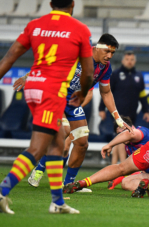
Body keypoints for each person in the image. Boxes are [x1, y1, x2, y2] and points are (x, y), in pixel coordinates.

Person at [0, 0, 94, 214]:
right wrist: (83, 91)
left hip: (33, 86)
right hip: (52, 91)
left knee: (57, 142)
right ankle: (2, 191)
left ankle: (57, 203)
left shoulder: (35, 24)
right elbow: (88, 73)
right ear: (72, 5)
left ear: (50, 4)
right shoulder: (80, 29)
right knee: (38, 147)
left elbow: (10, 56)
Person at [22, 34, 131, 191]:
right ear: (96, 47)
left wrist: (117, 117)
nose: (109, 56)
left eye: (112, 53)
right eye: (107, 51)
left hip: (72, 103)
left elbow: (106, 93)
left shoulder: (105, 68)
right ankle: (39, 169)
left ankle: (69, 184)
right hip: (56, 97)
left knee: (82, 143)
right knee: (64, 131)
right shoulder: (78, 55)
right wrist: (28, 76)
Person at [99, 51, 149, 124]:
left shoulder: (139, 76)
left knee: (130, 134)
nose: (129, 61)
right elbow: (106, 92)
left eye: (132, 59)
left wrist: (146, 111)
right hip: (117, 114)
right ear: (122, 61)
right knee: (118, 134)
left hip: (132, 115)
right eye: (127, 59)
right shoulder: (115, 74)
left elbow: (142, 95)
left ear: (135, 61)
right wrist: (101, 109)